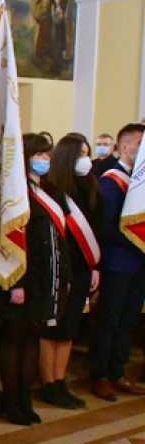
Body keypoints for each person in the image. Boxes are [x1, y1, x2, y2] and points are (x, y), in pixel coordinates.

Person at [0, 134, 69, 425]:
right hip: (18, 279)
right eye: (38, 154)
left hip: (41, 279)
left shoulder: (46, 189)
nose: (44, 160)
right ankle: (10, 399)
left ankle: (24, 398)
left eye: (47, 155)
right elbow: (10, 239)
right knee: (14, 339)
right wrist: (16, 283)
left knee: (32, 339)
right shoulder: (14, 192)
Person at [41, 134, 101, 409]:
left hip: (82, 267)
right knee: (54, 328)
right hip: (59, 268)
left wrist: (95, 266)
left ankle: (60, 380)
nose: (85, 160)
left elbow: (96, 228)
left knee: (70, 328)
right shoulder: (53, 188)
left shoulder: (89, 186)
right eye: (80, 154)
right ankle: (48, 383)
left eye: (87, 153)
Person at [90, 122, 145, 400]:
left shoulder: (140, 180)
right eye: (140, 145)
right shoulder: (112, 180)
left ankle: (117, 372)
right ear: (125, 147)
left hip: (138, 263)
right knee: (110, 320)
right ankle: (100, 375)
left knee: (128, 320)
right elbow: (106, 226)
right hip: (118, 261)